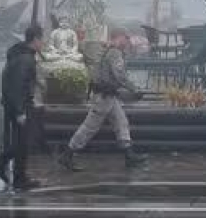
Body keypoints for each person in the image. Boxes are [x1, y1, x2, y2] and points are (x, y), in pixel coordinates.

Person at [58, 27, 148, 170]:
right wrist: (134, 89)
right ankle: (68, 154)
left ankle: (129, 155)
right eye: (126, 38)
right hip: (104, 97)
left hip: (108, 96)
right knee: (89, 127)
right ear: (119, 37)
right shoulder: (114, 53)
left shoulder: (108, 50)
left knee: (121, 122)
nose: (127, 41)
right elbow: (120, 75)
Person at [0, 24, 44, 191]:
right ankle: (7, 167)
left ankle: (16, 174)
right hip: (19, 105)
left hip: (13, 103)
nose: (43, 43)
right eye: (42, 40)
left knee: (22, 141)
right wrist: (21, 110)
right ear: (35, 39)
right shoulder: (25, 59)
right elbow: (18, 85)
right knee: (23, 141)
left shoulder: (20, 54)